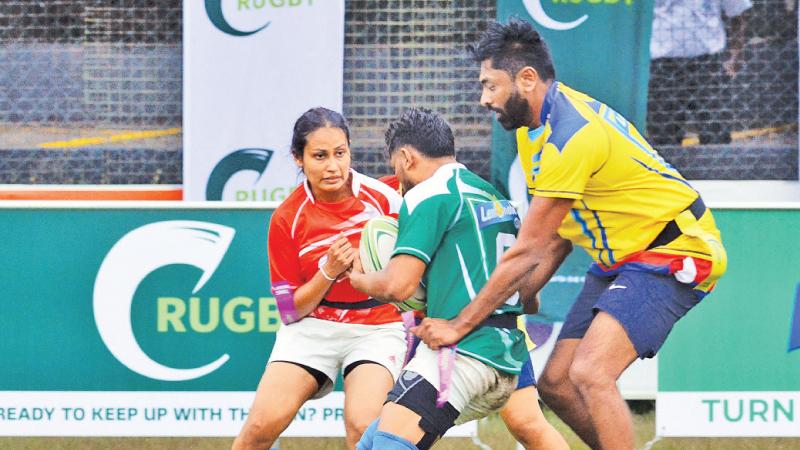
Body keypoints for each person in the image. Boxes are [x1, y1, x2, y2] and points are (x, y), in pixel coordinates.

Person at [413, 19, 727, 450]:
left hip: (674, 250)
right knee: (558, 383)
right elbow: (557, 235)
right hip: (623, 258)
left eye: (490, 85)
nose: (484, 99)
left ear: (526, 79)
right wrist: (525, 295)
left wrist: (459, 325)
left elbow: (529, 249)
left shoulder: (571, 135)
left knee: (591, 373)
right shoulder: (533, 129)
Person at [348, 108, 532, 450]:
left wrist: (361, 279)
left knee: (389, 443)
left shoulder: (428, 194)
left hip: (463, 354)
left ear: (405, 157)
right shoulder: (495, 197)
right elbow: (530, 295)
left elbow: (397, 286)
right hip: (506, 356)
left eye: (395, 168)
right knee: (372, 439)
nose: (398, 179)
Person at [232, 107, 407, 450]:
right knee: (260, 426)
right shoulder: (287, 217)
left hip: (378, 326)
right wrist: (328, 271)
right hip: (313, 326)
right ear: (299, 159)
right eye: (320, 156)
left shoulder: (386, 198)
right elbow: (288, 311)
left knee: (363, 424)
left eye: (340, 154)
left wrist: (372, 271)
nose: (333, 166)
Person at [379, 174, 568, 450]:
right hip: (429, 327)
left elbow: (533, 271)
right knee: (397, 428)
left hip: (484, 327)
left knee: (525, 421)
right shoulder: (388, 195)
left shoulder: (470, 196)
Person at [647, 0, 752, 145]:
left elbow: (738, 13)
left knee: (715, 128)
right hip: (662, 63)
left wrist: (735, 54)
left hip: (707, 62)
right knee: (663, 133)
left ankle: (717, 164)